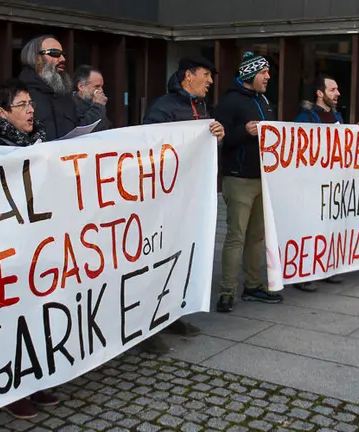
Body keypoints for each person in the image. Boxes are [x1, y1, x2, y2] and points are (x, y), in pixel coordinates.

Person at [0, 79, 59, 419]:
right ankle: (7, 387)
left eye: (31, 104)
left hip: (35, 239)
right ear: (2, 113)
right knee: (8, 317)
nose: (30, 110)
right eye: (22, 105)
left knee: (35, 312)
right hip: (4, 244)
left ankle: (32, 376)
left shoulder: (38, 140)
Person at [139, 55, 226, 354]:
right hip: (166, 200)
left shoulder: (201, 106)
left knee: (181, 258)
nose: (211, 81)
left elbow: (204, 147)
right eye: (206, 74)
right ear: (189, 76)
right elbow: (149, 146)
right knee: (158, 261)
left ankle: (173, 314)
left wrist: (218, 136)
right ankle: (146, 327)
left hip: (190, 199)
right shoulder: (163, 107)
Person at [215, 51, 280, 313]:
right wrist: (244, 131)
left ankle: (253, 285)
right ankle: (227, 290)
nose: (268, 77)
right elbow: (220, 139)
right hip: (239, 179)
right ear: (250, 74)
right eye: (264, 73)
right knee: (236, 237)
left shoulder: (264, 100)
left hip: (261, 179)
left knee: (256, 237)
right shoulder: (230, 102)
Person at [292, 74, 359, 290]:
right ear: (319, 93)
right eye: (333, 89)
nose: (337, 94)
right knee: (309, 228)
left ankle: (327, 267)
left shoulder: (337, 117)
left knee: (330, 226)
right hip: (311, 183)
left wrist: (358, 131)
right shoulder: (305, 118)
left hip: (332, 183)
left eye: (337, 90)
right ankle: (303, 274)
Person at [18, 35, 78, 140]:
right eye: (54, 53)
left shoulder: (65, 94)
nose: (63, 59)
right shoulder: (19, 93)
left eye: (63, 54)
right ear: (36, 58)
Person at [72, 64, 112, 132]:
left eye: (101, 86)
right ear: (81, 86)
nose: (101, 90)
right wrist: (98, 106)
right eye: (97, 86)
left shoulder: (93, 103)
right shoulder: (70, 105)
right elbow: (84, 129)